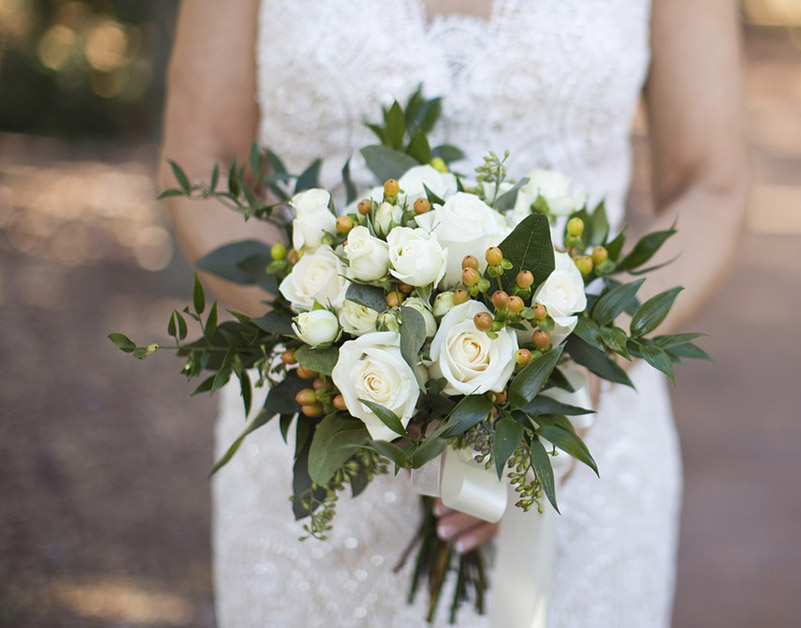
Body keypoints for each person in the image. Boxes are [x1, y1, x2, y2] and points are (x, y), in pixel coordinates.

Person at [160, 0, 747, 625]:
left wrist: (578, 373)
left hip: (579, 433)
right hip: (323, 426)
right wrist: (333, 344)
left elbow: (711, 183)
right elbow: (203, 162)